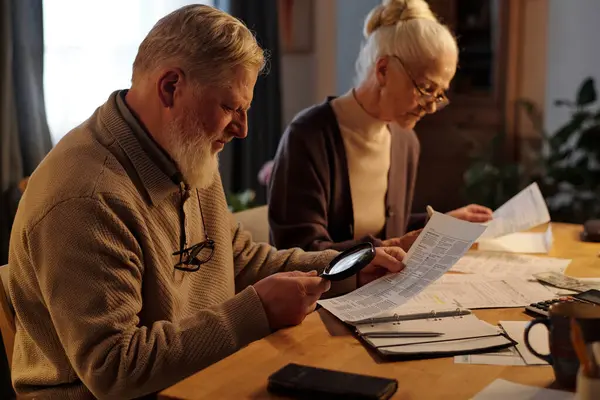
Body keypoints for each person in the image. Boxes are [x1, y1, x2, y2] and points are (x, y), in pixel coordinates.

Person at [7, 5, 406, 399]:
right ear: (170, 88)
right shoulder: (86, 199)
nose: (243, 129)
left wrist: (349, 270)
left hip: (204, 379)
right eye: (231, 107)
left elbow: (239, 261)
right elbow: (115, 369)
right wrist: (256, 311)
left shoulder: (186, 150)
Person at [267, 0, 493, 253]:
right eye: (426, 89)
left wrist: (438, 224)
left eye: (439, 95)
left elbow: (382, 228)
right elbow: (298, 253)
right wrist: (390, 246)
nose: (430, 107)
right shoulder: (308, 136)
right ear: (383, 70)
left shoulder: (405, 142)